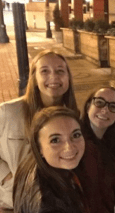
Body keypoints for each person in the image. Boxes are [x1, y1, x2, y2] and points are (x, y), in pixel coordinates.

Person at [0, 49, 78, 210]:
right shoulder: (8, 112)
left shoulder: (72, 117)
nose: (53, 77)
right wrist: (6, 177)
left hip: (55, 203)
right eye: (45, 71)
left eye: (60, 71)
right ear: (34, 78)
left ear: (68, 78)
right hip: (13, 203)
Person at [13, 106, 88, 212]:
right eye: (55, 140)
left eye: (76, 135)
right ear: (39, 147)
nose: (69, 147)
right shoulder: (48, 204)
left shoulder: (31, 162)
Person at [81, 85, 115, 212]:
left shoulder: (109, 144)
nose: (105, 110)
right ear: (88, 106)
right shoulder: (78, 145)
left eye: (112, 106)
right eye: (99, 103)